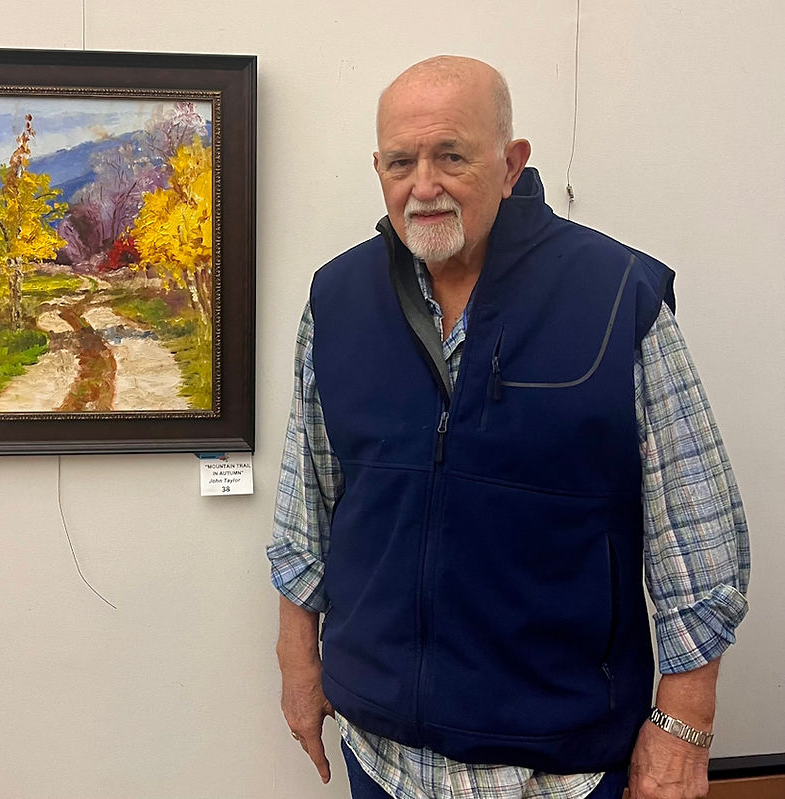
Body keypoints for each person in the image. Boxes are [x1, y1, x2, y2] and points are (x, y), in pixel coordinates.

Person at [267, 56, 750, 799]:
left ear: (511, 162)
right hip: (383, 756)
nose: (422, 185)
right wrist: (298, 664)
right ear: (378, 168)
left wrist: (684, 723)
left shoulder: (618, 296)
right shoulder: (335, 300)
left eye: (450, 155)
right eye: (401, 161)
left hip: (558, 768)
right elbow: (309, 501)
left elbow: (700, 534)